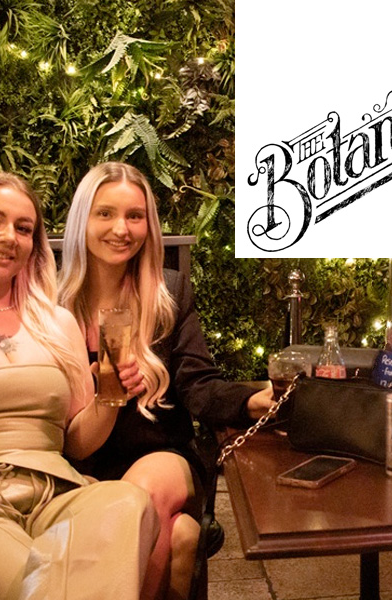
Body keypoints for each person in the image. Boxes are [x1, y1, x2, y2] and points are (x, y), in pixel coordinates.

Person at [58, 162, 275, 600]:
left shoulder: (169, 293)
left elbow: (198, 384)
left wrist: (249, 401)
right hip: (81, 464)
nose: (121, 229)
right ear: (83, 220)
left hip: (161, 455)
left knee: (139, 499)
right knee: (177, 534)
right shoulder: (50, 305)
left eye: (135, 216)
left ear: (149, 225)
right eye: (105, 214)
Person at [0, 171, 159, 599]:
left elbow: (79, 445)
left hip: (56, 491)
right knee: (29, 581)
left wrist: (110, 396)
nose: (9, 237)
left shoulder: (55, 321)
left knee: (128, 503)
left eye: (23, 228)